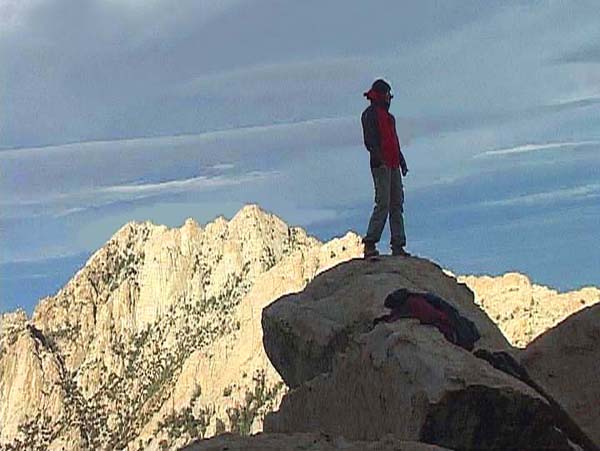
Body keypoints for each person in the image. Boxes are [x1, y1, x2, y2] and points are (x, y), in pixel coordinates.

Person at [361, 78, 409, 258]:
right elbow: (370, 140)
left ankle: (398, 244)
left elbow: (394, 142)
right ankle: (370, 243)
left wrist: (401, 161)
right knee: (383, 202)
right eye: (388, 95)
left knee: (396, 203)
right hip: (381, 164)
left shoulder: (389, 118)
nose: (389, 99)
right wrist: (378, 157)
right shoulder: (370, 115)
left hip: (393, 163)